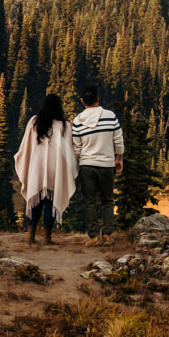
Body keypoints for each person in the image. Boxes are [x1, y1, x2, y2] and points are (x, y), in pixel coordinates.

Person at [13, 92, 76, 244]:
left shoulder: (34, 122)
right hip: (56, 169)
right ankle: (47, 237)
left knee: (35, 198)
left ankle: (30, 235)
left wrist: (24, 161)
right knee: (50, 201)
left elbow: (25, 147)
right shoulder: (65, 126)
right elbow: (71, 151)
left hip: (37, 167)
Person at [70, 86, 124, 234]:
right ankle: (107, 234)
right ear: (98, 99)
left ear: (82, 101)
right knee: (107, 200)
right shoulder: (110, 116)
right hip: (106, 164)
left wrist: (77, 166)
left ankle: (93, 234)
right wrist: (119, 159)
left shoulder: (77, 121)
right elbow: (118, 140)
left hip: (86, 165)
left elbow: (76, 148)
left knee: (90, 201)